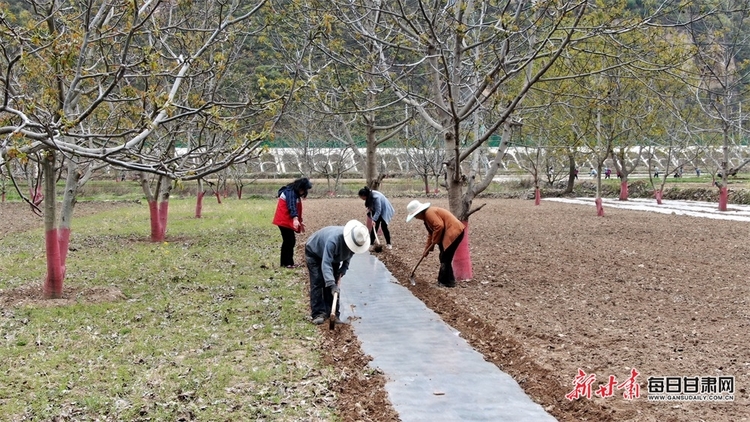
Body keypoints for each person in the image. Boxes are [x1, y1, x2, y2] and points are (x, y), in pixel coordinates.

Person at [305, 220, 370, 325]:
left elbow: (349, 255)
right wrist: (331, 284)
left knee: (333, 283)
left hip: (333, 257)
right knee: (318, 281)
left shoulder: (355, 242)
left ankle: (333, 312)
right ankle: (318, 313)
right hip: (314, 252)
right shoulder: (333, 240)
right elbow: (326, 263)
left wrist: (344, 267)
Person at [405, 200, 465, 288]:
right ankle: (449, 281)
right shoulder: (426, 218)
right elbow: (431, 233)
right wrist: (426, 250)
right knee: (444, 257)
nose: (416, 218)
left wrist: (435, 241)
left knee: (445, 258)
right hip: (448, 233)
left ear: (419, 213)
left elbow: (439, 226)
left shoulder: (429, 213)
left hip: (454, 232)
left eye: (415, 216)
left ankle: (444, 282)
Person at [272, 177, 312, 269]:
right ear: (301, 187)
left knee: (290, 241)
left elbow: (296, 208)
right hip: (283, 221)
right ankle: (286, 264)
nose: (304, 192)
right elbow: (291, 206)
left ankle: (289, 263)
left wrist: (299, 221)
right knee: (289, 241)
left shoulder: (294, 193)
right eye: (304, 189)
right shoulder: (290, 193)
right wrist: (295, 219)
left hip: (286, 220)